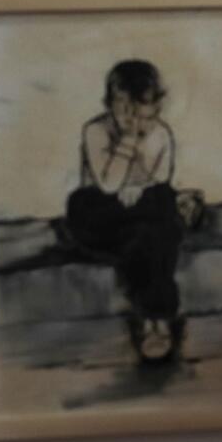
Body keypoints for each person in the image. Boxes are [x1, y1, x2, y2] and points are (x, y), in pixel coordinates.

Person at [63, 60, 187, 364]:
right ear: (111, 106)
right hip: (102, 214)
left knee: (153, 219)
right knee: (86, 203)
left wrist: (140, 187)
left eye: (144, 116)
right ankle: (157, 318)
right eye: (124, 112)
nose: (135, 123)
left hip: (141, 217)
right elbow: (108, 184)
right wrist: (129, 142)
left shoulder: (161, 134)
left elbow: (160, 179)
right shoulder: (95, 130)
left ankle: (153, 322)